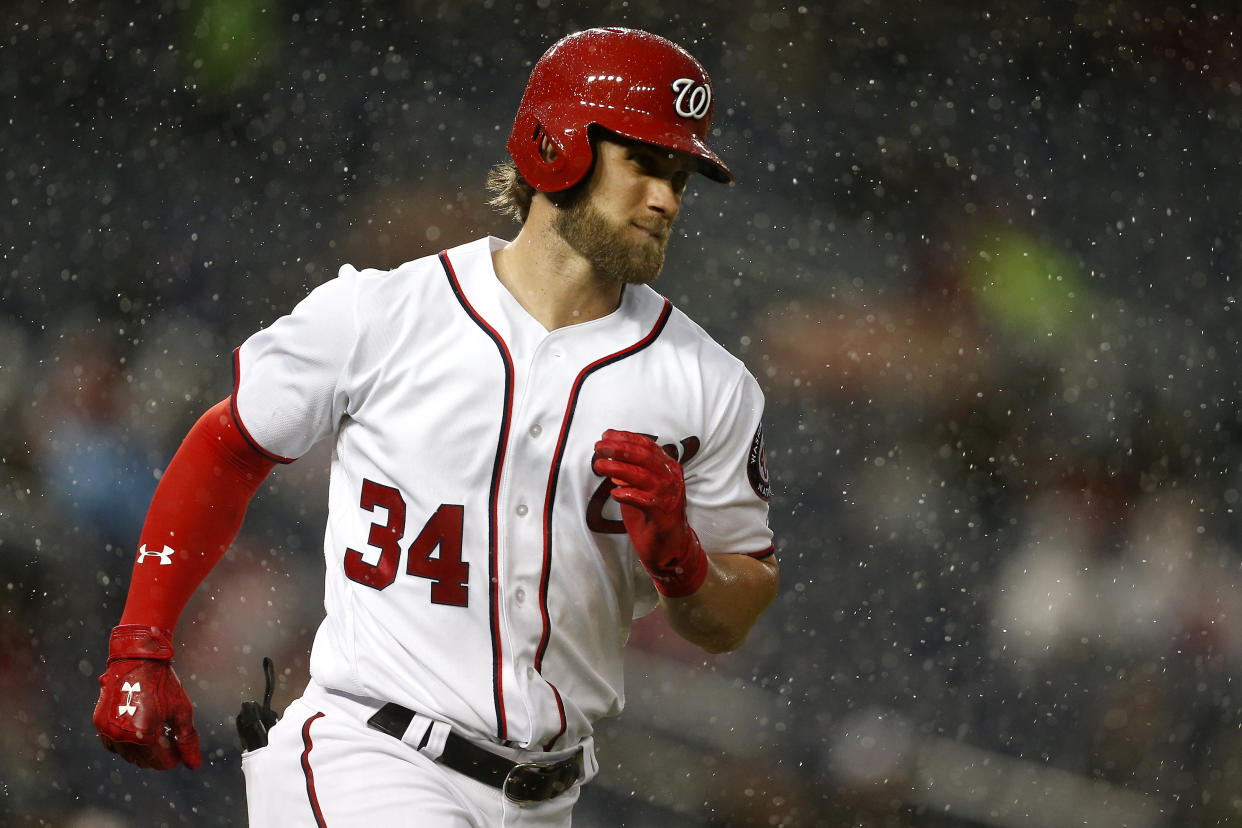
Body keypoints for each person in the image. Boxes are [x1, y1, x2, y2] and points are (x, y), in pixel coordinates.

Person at [92, 26, 778, 826]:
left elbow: (734, 612)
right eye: (646, 164)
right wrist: (141, 639)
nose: (667, 197)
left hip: (548, 796)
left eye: (682, 175)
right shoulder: (385, 314)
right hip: (368, 756)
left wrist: (684, 564)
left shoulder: (711, 386)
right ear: (559, 146)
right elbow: (229, 442)